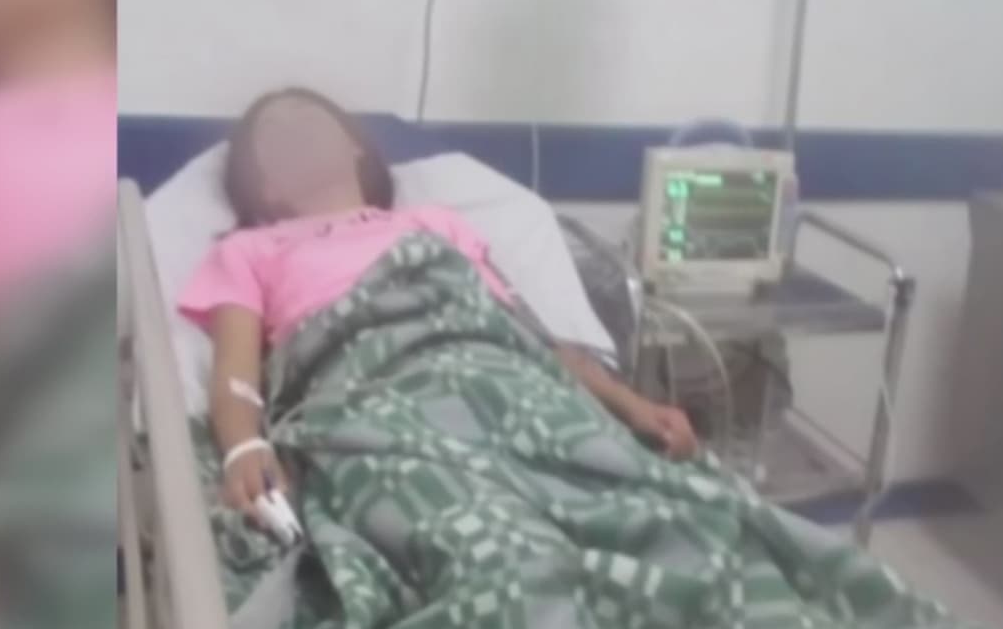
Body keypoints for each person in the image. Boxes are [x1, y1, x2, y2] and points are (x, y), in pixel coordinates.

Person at [178, 88, 698, 526]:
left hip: (500, 376)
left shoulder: (435, 223)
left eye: (311, 120)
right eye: (278, 134)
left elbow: (524, 334)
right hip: (372, 394)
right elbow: (236, 378)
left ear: (353, 146)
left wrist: (631, 405)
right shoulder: (250, 250)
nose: (300, 134)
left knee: (654, 508)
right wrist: (245, 448)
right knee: (457, 517)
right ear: (264, 186)